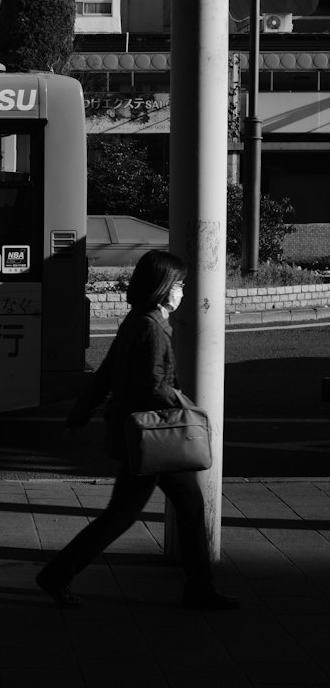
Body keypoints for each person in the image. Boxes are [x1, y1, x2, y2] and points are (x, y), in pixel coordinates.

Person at [35, 249, 239, 611]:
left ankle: (198, 587)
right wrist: (188, 407)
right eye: (178, 284)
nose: (182, 291)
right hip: (151, 438)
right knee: (135, 513)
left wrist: (79, 415)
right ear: (162, 286)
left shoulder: (138, 320)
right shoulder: (150, 327)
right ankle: (58, 574)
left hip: (142, 436)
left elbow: (106, 373)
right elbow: (152, 385)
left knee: (166, 509)